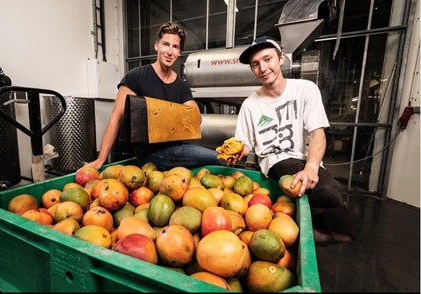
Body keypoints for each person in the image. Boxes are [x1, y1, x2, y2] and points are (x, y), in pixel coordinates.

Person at [226, 36, 354, 246]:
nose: (263, 68)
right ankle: (301, 235)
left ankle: (312, 233)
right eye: (255, 64)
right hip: (275, 161)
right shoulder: (250, 105)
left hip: (303, 158)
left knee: (327, 189)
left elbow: (317, 132)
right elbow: (246, 143)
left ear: (281, 58)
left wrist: (312, 167)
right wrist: (238, 152)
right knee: (324, 190)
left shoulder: (305, 89)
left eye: (268, 59)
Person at [88, 21, 221, 170]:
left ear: (179, 52)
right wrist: (101, 159)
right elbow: (116, 118)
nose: (170, 52)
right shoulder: (136, 77)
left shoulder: (181, 86)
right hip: (150, 154)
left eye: (175, 47)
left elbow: (196, 119)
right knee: (219, 158)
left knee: (209, 158)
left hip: (176, 147)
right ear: (156, 45)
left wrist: (168, 116)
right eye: (165, 44)